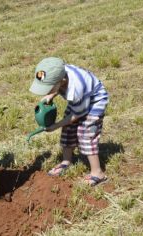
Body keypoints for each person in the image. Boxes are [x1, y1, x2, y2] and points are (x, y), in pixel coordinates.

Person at [29, 57, 109, 186]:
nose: (46, 91)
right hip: (79, 101)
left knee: (87, 134)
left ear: (62, 81)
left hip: (95, 101)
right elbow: (59, 86)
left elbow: (77, 115)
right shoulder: (60, 73)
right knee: (68, 130)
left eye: (49, 88)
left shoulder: (75, 88)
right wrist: (51, 95)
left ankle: (97, 173)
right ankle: (66, 161)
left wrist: (56, 125)